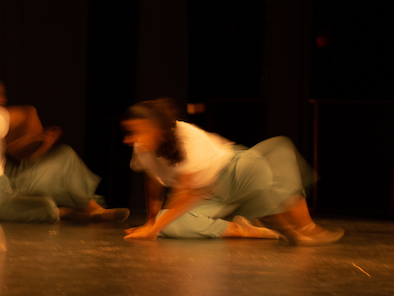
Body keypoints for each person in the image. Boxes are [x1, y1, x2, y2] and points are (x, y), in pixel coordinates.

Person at [121, 98, 343, 245]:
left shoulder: (187, 136)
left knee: (267, 166)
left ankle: (304, 227)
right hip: (210, 195)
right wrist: (151, 223)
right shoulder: (142, 148)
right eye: (130, 133)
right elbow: (154, 184)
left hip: (234, 173)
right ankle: (244, 228)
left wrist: (153, 230)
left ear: (157, 129)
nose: (129, 140)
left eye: (136, 132)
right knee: (167, 223)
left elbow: (188, 194)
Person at [0, 76, 129, 223]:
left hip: (7, 181)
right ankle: (69, 213)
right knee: (44, 205)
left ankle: (94, 209)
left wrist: (42, 142)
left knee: (65, 154)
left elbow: (19, 149)